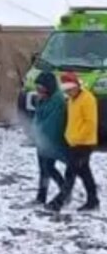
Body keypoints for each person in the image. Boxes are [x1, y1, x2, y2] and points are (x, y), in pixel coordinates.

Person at [46, 72, 100, 212]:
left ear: (76, 86)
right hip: (73, 143)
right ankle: (93, 201)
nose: (68, 93)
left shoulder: (88, 99)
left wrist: (77, 138)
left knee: (71, 173)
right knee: (84, 172)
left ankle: (58, 202)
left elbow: (90, 123)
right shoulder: (71, 100)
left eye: (70, 90)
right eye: (66, 91)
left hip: (84, 144)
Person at [31, 71, 69, 205]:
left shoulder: (57, 101)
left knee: (48, 168)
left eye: (41, 88)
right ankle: (41, 197)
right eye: (37, 88)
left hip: (52, 142)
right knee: (44, 170)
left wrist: (40, 136)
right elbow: (37, 118)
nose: (38, 91)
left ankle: (65, 190)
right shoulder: (43, 99)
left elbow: (52, 125)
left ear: (49, 87)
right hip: (41, 141)